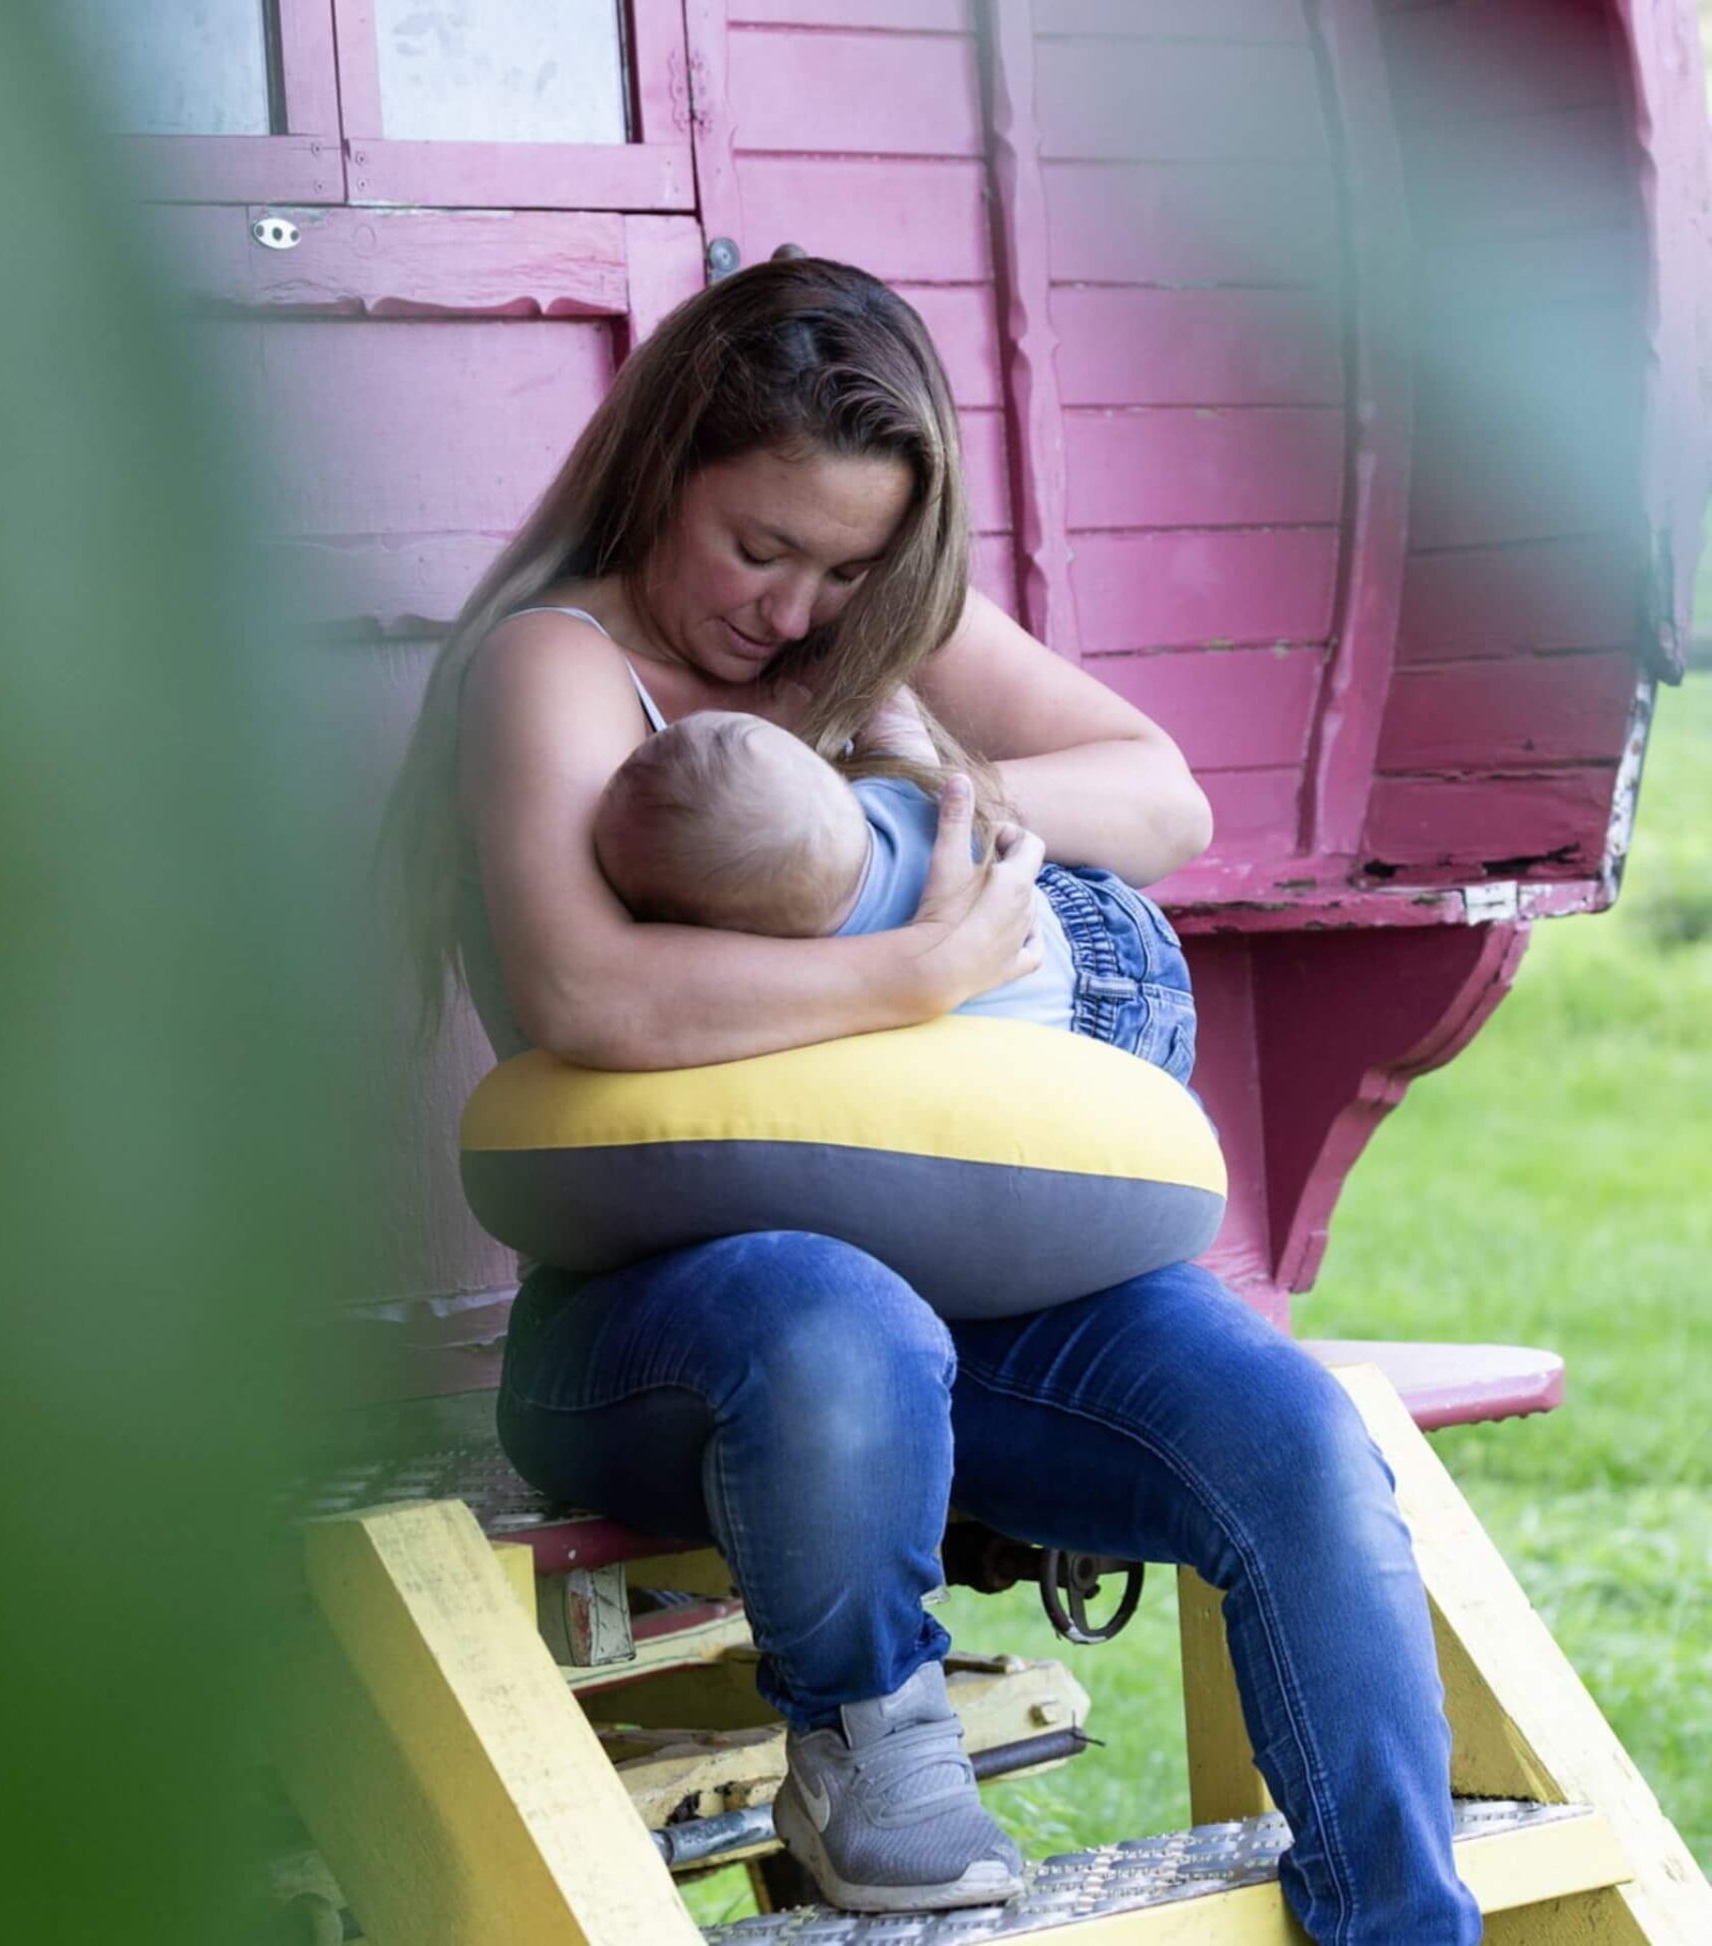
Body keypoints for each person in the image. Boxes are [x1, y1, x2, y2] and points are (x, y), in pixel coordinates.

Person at [386, 257, 1481, 1938]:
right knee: (842, 1315)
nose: (798, 613)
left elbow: (1159, 798)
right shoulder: (561, 666)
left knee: (1298, 1446)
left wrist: (894, 801)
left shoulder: (870, 628)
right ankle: (864, 1749)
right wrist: (909, 971)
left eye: (847, 568)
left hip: (995, 1301)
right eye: (760, 548)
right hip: (677, 1338)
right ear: (665, 465)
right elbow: (584, 995)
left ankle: (1403, 1923)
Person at [589, 698, 1195, 1081]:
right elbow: (899, 733)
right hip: (1097, 930)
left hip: (1064, 1050)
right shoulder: (907, 804)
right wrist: (878, 690)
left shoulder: (795, 981)